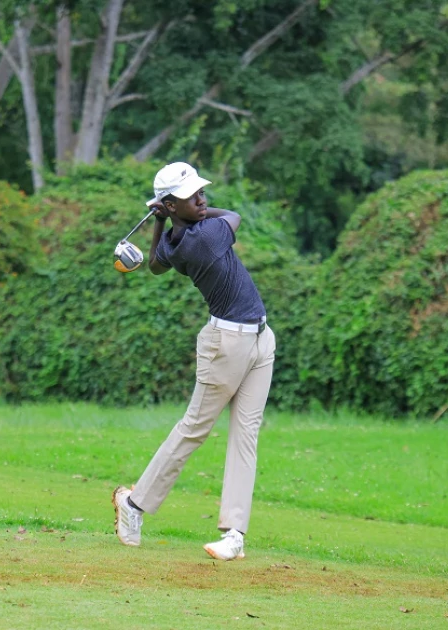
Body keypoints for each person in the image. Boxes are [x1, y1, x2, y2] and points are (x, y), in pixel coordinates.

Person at [112, 162, 276, 561]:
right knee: (194, 429)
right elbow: (233, 217)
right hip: (226, 345)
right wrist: (181, 213)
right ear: (170, 203)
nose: (203, 200)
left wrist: (161, 218)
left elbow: (154, 263)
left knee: (245, 436)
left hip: (260, 339)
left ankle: (234, 533)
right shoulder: (204, 237)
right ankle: (133, 506)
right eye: (193, 196)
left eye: (202, 193)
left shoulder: (173, 242)